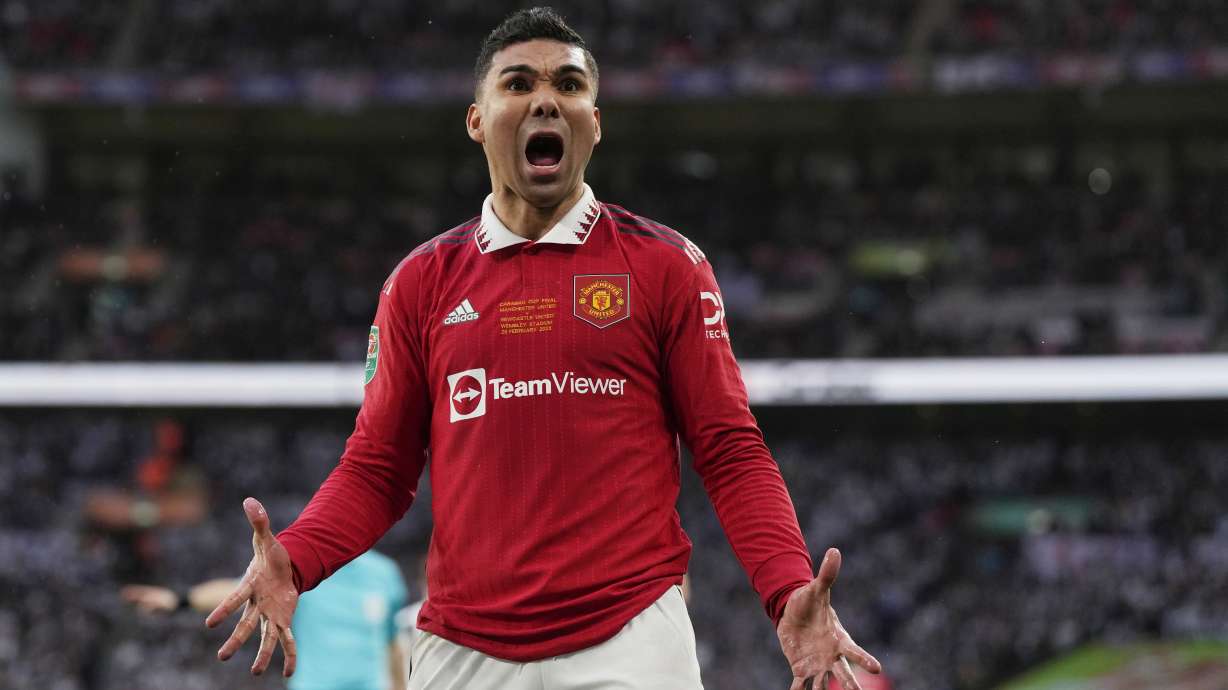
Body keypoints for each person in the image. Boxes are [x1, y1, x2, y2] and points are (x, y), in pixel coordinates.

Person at [205, 8, 882, 690]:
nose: (545, 100)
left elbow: (730, 449)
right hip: (461, 648)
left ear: (594, 120)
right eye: (519, 83)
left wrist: (786, 587)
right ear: (478, 119)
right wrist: (297, 560)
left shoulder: (665, 265)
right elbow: (380, 467)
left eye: (568, 84)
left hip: (630, 638)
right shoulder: (419, 282)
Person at [127, 550, 407, 690]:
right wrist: (180, 600)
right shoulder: (306, 565)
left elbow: (392, 644)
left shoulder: (385, 574)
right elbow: (239, 591)